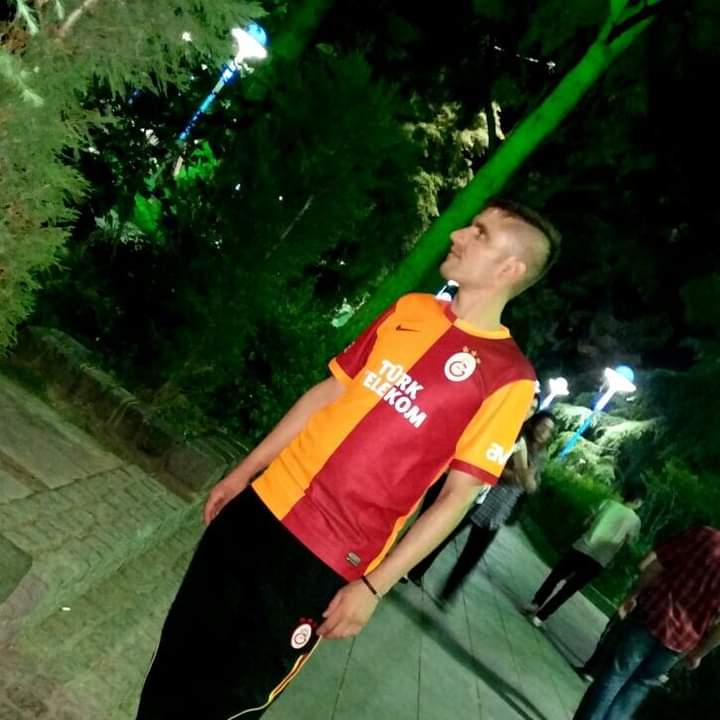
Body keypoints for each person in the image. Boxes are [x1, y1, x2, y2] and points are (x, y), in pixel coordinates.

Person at [136, 199, 561, 719]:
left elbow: (456, 498)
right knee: (179, 655)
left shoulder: (508, 378)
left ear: (509, 268)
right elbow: (327, 393)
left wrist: (374, 587)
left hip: (325, 557)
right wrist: (244, 473)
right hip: (261, 506)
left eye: (480, 233)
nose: (458, 236)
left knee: (230, 697)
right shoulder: (411, 310)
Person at [406, 410, 556, 602]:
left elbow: (531, 484)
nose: (544, 432)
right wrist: (517, 476)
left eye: (549, 430)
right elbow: (499, 467)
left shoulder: (540, 455)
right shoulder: (515, 437)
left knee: (472, 556)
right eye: (542, 425)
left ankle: (447, 594)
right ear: (534, 423)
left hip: (499, 510)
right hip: (479, 498)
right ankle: (415, 569)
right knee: (443, 535)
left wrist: (524, 478)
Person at [573, 526, 720, 720]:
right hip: (681, 642)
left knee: (616, 674)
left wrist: (632, 595)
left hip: (652, 615)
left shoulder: (703, 535)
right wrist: (699, 654)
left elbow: (657, 565)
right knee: (640, 685)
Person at [523, 485, 645, 627]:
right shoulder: (635, 521)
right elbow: (629, 543)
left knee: (555, 576)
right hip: (599, 559)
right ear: (637, 501)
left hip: (582, 547)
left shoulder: (608, 503)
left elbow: (587, 521)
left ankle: (535, 603)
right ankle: (540, 618)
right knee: (569, 589)